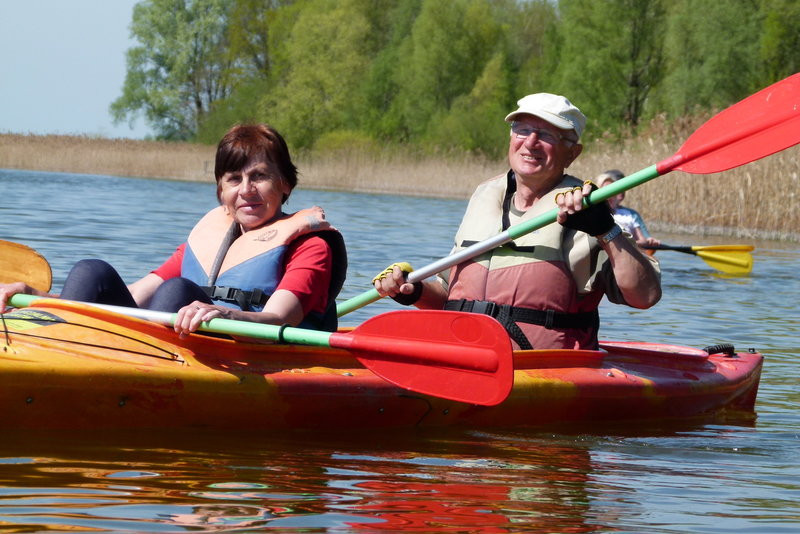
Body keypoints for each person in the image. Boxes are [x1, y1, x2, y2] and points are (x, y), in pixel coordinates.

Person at [372, 93, 661, 350]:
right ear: (511, 138)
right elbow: (451, 297)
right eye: (522, 129)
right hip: (464, 356)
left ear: (573, 153)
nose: (531, 142)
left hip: (542, 370)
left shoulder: (584, 207)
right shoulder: (484, 196)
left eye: (547, 135)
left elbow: (645, 296)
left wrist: (606, 230)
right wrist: (412, 290)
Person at [0, 124, 347, 337]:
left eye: (259, 176)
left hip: (243, 352)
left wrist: (224, 312)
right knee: (92, 272)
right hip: (172, 340)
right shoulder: (208, 242)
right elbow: (133, 299)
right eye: (233, 179)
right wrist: (34, 295)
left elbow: (278, 318)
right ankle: (44, 335)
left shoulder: (311, 247)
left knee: (177, 290)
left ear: (285, 184)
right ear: (221, 191)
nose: (246, 190)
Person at [596, 169, 661, 248]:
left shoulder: (631, 215)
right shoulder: (594, 216)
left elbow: (644, 239)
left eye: (612, 191)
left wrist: (649, 240)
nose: (621, 191)